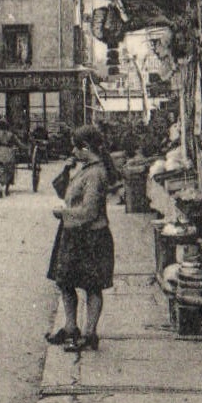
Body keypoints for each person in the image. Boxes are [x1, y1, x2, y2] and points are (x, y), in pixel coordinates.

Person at [45, 124, 119, 353]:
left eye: (75, 148)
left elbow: (90, 211)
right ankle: (70, 328)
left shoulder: (96, 174)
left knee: (92, 286)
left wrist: (63, 213)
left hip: (92, 237)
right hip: (74, 234)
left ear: (85, 147)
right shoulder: (85, 169)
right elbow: (66, 194)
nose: (73, 152)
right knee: (65, 282)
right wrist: (67, 170)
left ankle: (89, 334)